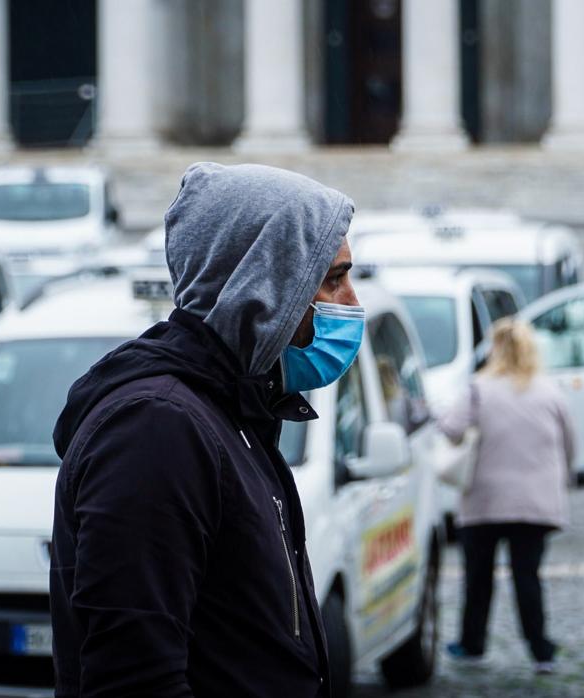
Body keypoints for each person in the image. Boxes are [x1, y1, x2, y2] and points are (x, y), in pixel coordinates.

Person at [49, 162, 362, 697]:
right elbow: (134, 679)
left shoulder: (234, 409)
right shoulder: (157, 427)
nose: (353, 302)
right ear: (266, 283)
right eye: (333, 279)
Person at [437, 318, 576, 674]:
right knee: (527, 577)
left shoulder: (479, 388)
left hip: (485, 498)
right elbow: (569, 446)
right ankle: (541, 650)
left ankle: (472, 645)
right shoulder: (549, 391)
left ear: (494, 349)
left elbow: (451, 430)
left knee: (478, 578)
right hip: (535, 502)